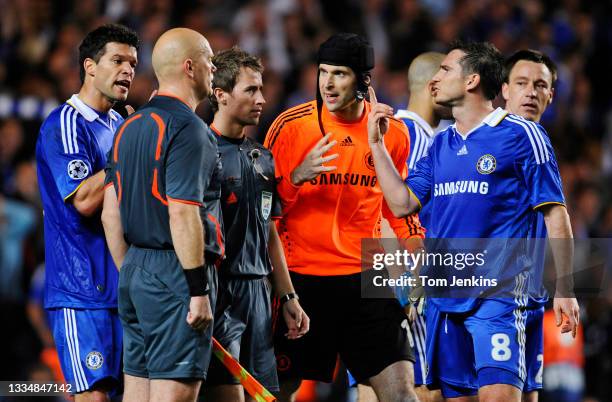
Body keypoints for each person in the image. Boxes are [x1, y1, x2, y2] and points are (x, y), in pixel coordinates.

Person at [368, 40, 580, 402]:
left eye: (445, 70)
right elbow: (402, 202)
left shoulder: (522, 135)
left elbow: (555, 213)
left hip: (499, 296)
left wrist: (565, 288)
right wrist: (376, 145)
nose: (434, 81)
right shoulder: (441, 143)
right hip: (445, 299)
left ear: (471, 81)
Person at [264, 32, 421, 402]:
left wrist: (416, 262)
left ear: (364, 81)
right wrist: (296, 178)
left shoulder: (392, 133)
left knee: (402, 394)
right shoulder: (291, 127)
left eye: (339, 74)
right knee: (276, 393)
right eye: (322, 72)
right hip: (302, 281)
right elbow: (263, 212)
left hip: (367, 280)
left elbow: (396, 211)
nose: (327, 84)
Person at [101, 28, 221, 402]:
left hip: (135, 270)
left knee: (137, 391)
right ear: (189, 67)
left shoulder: (128, 127)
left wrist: (134, 273)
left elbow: (110, 215)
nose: (214, 68)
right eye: (208, 60)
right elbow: (183, 214)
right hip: (176, 272)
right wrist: (197, 290)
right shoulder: (189, 129)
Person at [35, 23, 138, 401]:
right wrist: (129, 148)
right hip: (81, 291)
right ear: (90, 65)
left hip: (123, 286)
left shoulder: (120, 124)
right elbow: (84, 200)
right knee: (94, 397)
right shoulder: (65, 124)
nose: (127, 70)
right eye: (117, 60)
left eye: (132, 63)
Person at [204, 47, 309, 401]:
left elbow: (269, 232)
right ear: (220, 95)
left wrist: (288, 295)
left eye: (261, 89)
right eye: (250, 90)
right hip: (219, 293)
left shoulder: (262, 156)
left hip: (259, 296)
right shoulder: (200, 153)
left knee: (265, 396)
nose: (261, 99)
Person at [355, 51, 450, 402]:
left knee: (375, 386)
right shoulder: (410, 136)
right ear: (434, 85)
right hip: (402, 283)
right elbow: (382, 210)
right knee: (422, 388)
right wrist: (401, 283)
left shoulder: (407, 133)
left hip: (377, 281)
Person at [501, 49, 559, 402]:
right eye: (522, 83)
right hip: (489, 302)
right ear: (504, 89)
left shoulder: (540, 144)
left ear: (551, 95)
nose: (531, 93)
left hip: (531, 297)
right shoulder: (478, 141)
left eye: (541, 85)